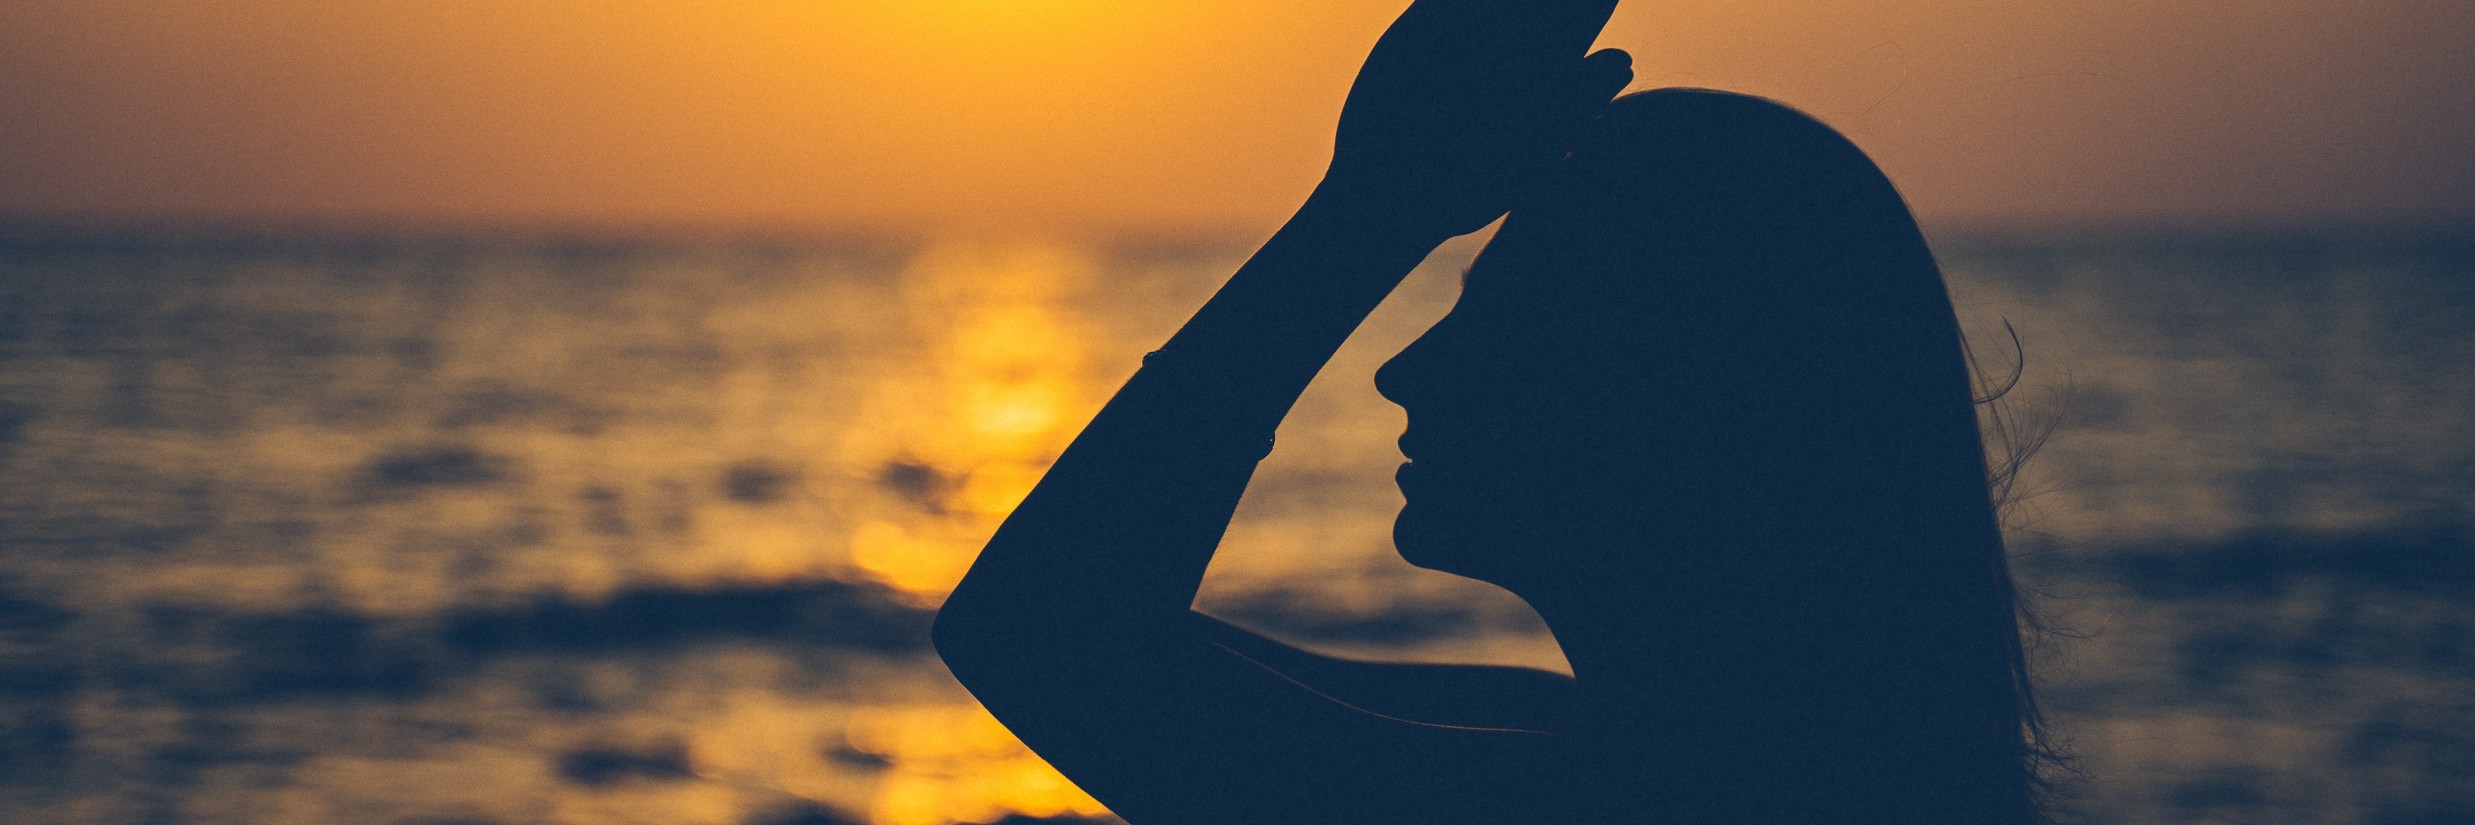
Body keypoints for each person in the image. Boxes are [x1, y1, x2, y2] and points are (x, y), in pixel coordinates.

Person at [931, 1, 2059, 822]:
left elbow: (1039, 633)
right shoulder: (1665, 753)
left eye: (1501, 315)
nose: (1404, 372)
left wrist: (1375, 207)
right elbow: (1078, 624)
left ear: (1661, 399)